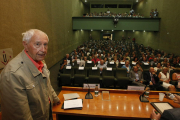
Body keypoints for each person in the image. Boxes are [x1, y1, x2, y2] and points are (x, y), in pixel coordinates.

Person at [0, 29, 60, 120]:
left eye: (45, 44)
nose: (43, 50)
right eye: (37, 44)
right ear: (25, 45)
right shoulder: (13, 74)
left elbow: (47, 84)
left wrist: (56, 99)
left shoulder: (40, 61)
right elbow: (20, 116)